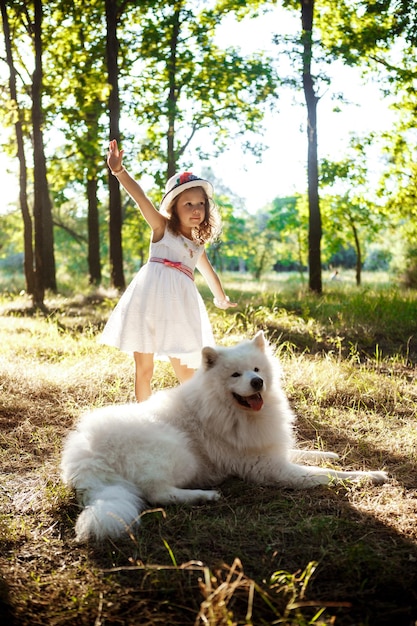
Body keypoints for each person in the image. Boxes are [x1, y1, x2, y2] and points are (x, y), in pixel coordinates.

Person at [100, 140, 237, 402]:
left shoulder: (197, 244)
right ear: (173, 207)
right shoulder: (162, 228)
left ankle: (199, 420)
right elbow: (140, 198)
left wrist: (221, 298)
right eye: (188, 204)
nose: (196, 210)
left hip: (179, 308)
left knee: (187, 371)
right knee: (144, 369)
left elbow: (209, 274)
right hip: (148, 301)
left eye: (201, 204)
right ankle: (144, 419)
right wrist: (119, 171)